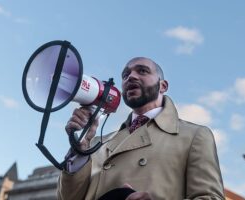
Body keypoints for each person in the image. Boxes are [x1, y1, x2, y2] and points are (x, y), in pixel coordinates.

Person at [57, 57, 225, 200]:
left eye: (142, 71)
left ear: (163, 86)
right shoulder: (96, 142)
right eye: (125, 75)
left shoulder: (194, 136)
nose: (131, 77)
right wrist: (80, 151)